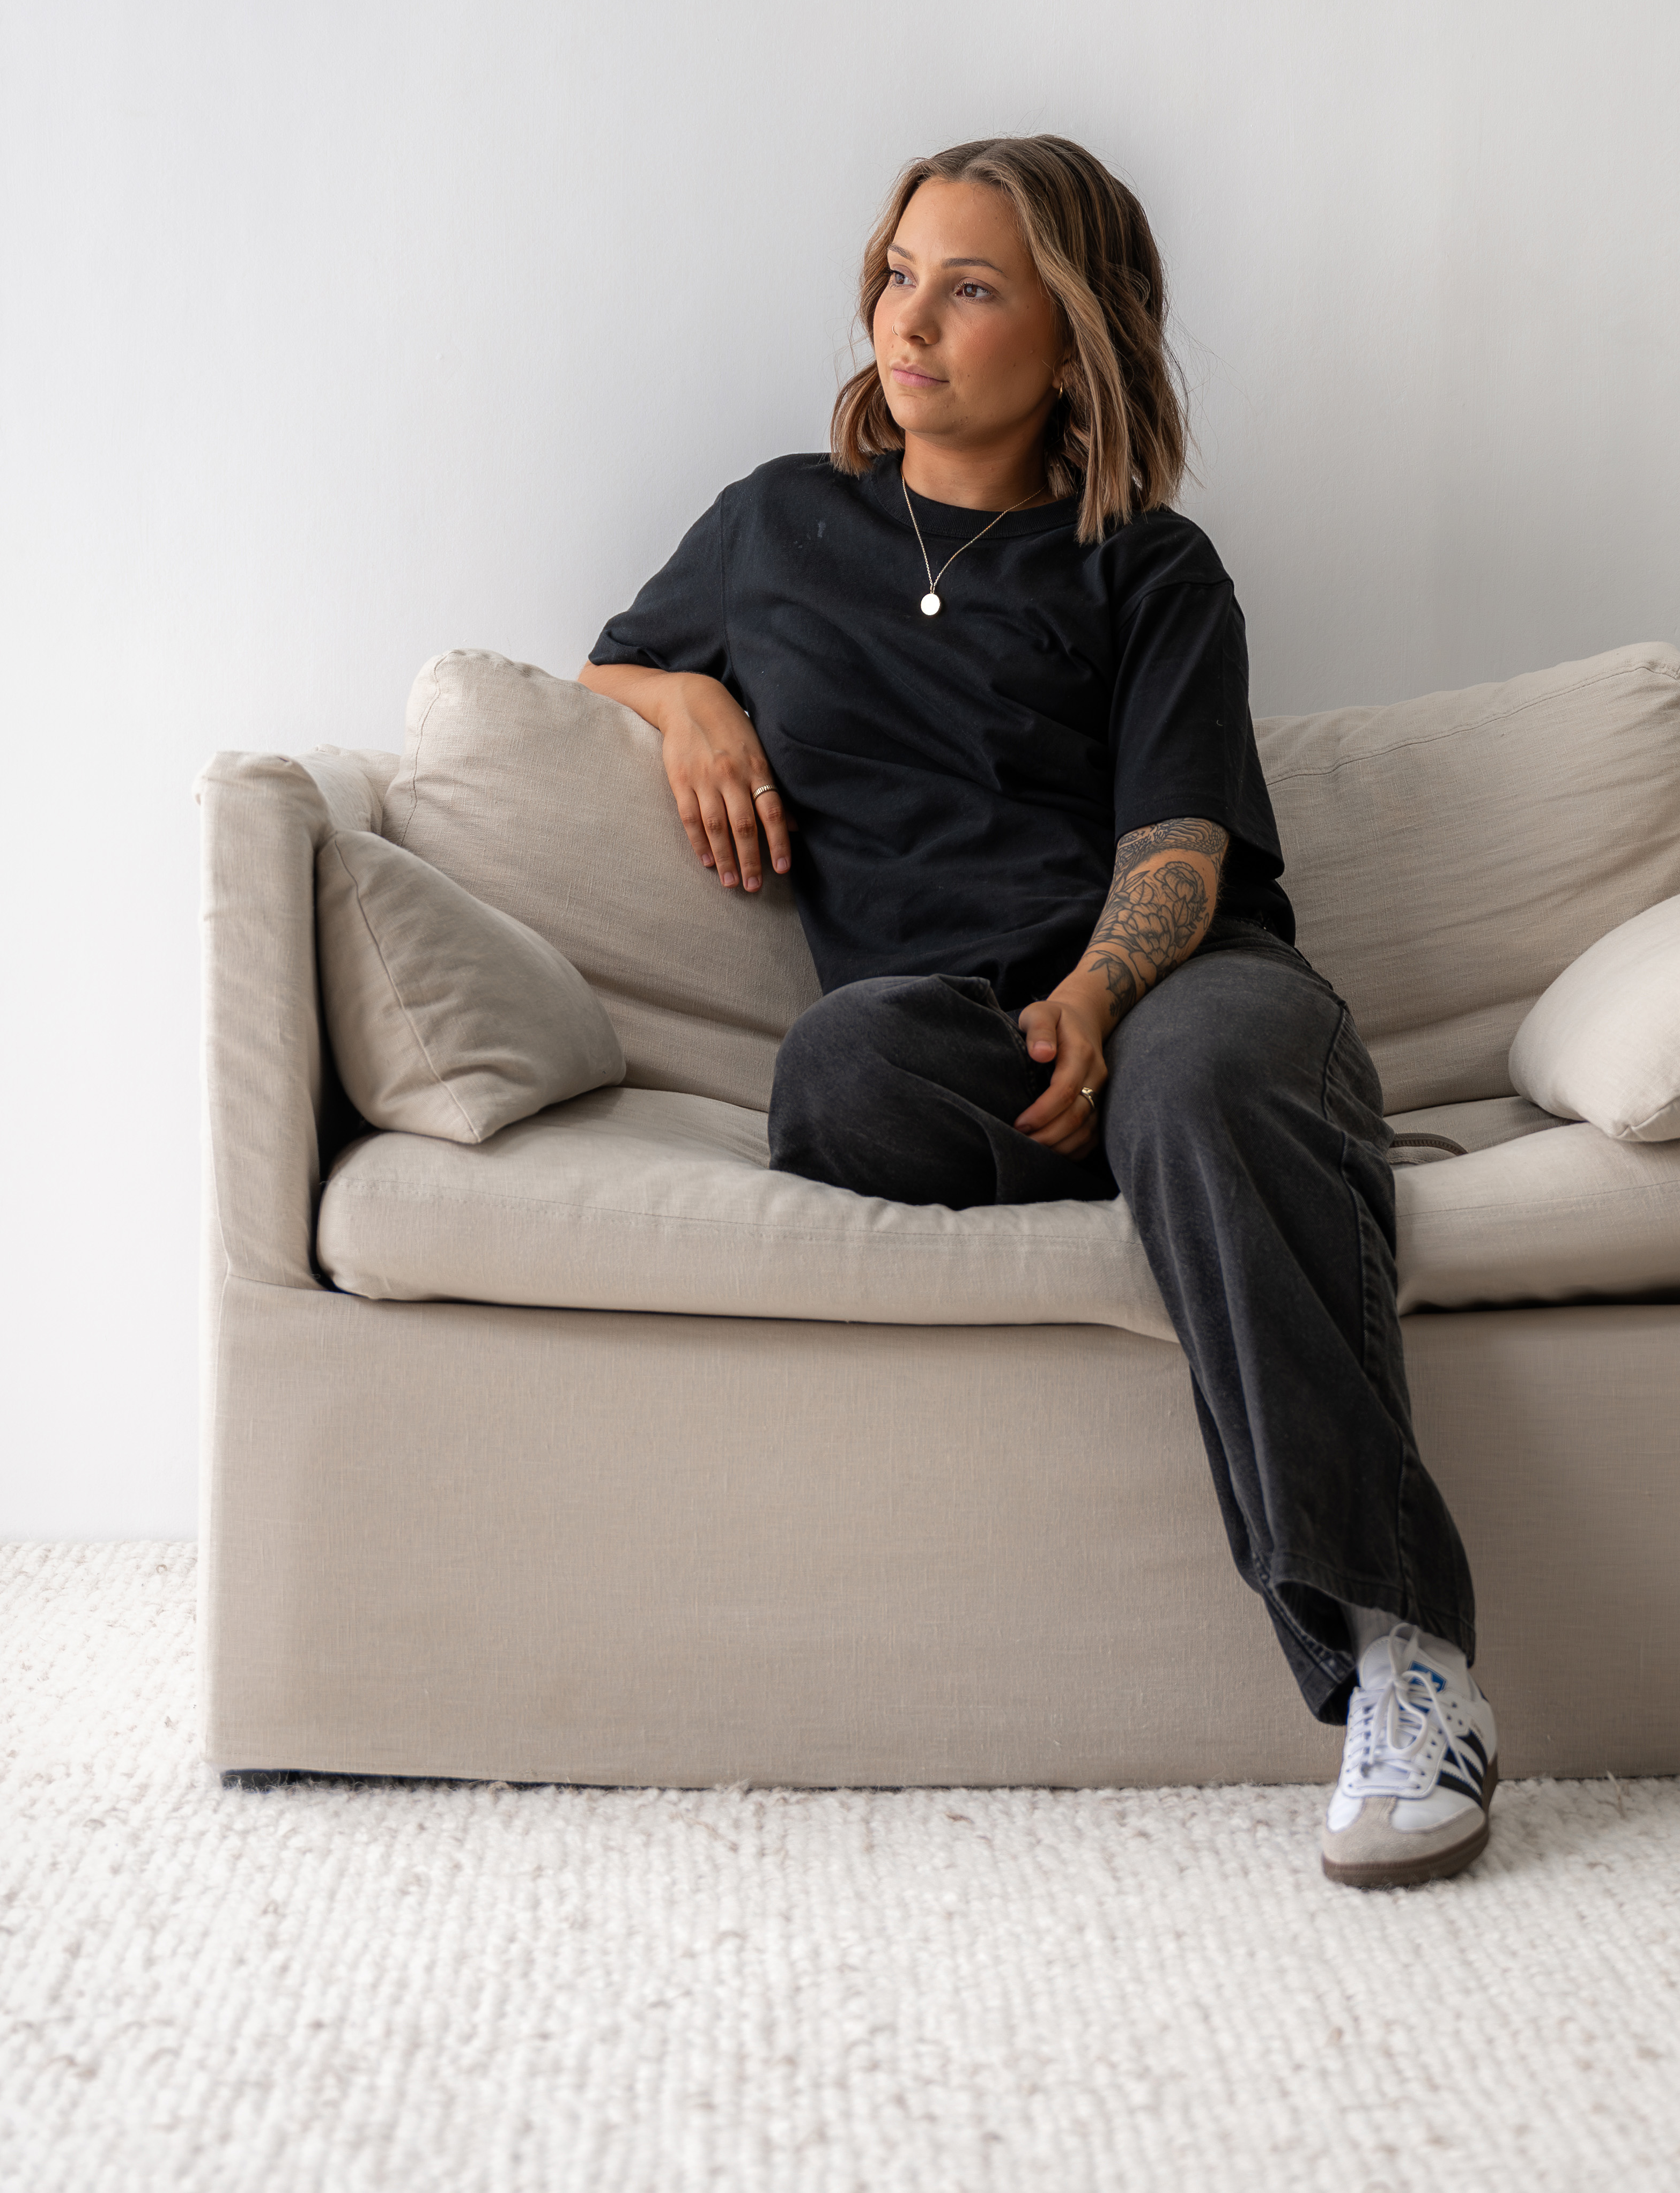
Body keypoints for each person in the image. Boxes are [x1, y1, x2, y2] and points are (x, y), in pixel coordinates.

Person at [579, 135, 1494, 1890]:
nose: (906, 319)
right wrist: (683, 703)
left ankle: (1403, 1657)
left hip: (1185, 991)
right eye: (900, 270)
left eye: (971, 285)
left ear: (1072, 341)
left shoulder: (1147, 569)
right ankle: (1207, 1178)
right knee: (838, 1072)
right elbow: (619, 651)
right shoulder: (778, 521)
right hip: (953, 1043)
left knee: (1200, 1072)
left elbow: (1180, 845)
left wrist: (1096, 993)